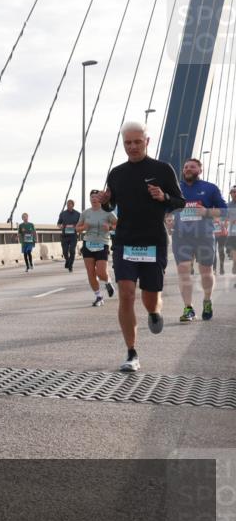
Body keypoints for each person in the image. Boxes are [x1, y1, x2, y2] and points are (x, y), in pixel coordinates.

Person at [95, 121, 185, 372]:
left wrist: (163, 197)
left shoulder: (163, 169)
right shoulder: (116, 173)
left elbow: (180, 201)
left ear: (147, 141)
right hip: (125, 242)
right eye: (127, 143)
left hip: (153, 242)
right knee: (126, 294)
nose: (132, 147)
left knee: (151, 298)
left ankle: (154, 313)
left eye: (137, 142)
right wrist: (105, 202)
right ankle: (132, 352)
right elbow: (110, 207)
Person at [169, 158, 226, 321]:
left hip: (204, 236)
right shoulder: (175, 188)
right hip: (182, 236)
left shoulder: (210, 188)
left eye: (192, 167)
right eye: (185, 167)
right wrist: (169, 218)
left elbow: (224, 211)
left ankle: (207, 301)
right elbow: (166, 209)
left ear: (199, 170)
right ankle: (188, 308)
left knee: (206, 272)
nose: (188, 169)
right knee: (183, 270)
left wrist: (207, 212)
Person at [77, 189, 117, 306]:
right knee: (90, 272)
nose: (94, 199)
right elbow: (77, 228)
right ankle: (99, 297)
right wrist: (84, 226)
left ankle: (108, 281)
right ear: (90, 199)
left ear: (100, 199)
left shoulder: (108, 212)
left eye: (96, 197)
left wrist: (109, 227)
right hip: (88, 243)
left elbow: (118, 224)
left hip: (102, 244)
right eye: (92, 197)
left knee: (101, 272)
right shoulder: (85, 213)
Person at [57, 200, 81, 271]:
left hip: (73, 236)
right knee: (65, 251)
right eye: (67, 204)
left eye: (70, 204)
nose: (68, 206)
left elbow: (81, 223)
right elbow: (58, 223)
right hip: (64, 235)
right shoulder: (63, 214)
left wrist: (76, 227)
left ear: (73, 205)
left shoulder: (78, 214)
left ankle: (70, 265)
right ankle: (67, 260)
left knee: (72, 251)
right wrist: (60, 226)